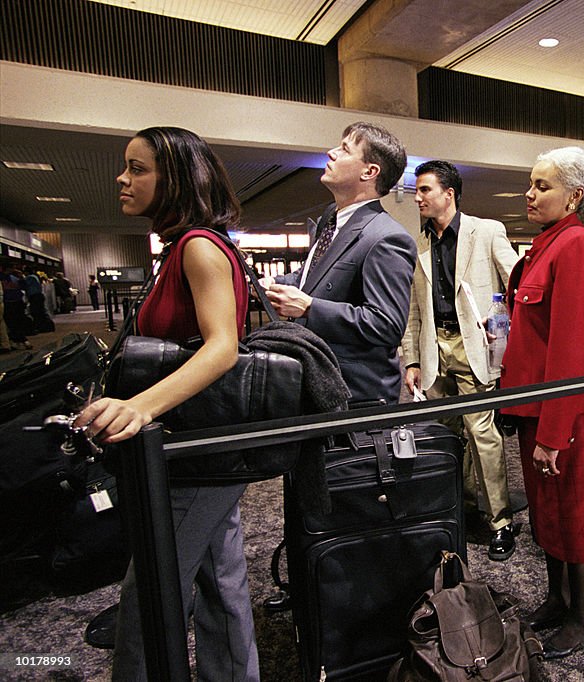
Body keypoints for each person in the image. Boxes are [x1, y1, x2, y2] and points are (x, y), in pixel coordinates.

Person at [74, 126, 259, 680]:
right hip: (198, 448)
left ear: (175, 178)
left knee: (149, 596)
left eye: (138, 168)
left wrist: (140, 406)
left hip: (196, 448)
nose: (122, 179)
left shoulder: (199, 246)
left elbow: (223, 347)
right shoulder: (183, 246)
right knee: (220, 582)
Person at [499, 146, 584, 659]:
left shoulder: (577, 247)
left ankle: (582, 612)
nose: (530, 193)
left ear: (575, 196)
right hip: (536, 409)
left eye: (542, 186)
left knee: (577, 518)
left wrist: (553, 433)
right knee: (549, 514)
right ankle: (555, 597)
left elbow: (572, 350)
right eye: (531, 182)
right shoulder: (544, 245)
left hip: (566, 413)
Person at [401, 160, 520, 560]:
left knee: (483, 435)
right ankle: (460, 507)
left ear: (448, 194)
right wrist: (411, 359)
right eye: (416, 191)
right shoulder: (418, 245)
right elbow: (413, 311)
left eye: (425, 190)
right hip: (436, 351)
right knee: (446, 436)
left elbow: (515, 285)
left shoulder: (486, 232)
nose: (417, 198)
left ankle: (500, 520)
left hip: (475, 348)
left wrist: (504, 326)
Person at [263, 121, 416, 405]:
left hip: (353, 394)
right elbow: (314, 277)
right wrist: (274, 284)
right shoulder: (331, 218)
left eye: (345, 149)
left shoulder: (387, 237)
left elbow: (386, 324)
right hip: (317, 377)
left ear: (369, 172)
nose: (332, 153)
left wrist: (309, 307)